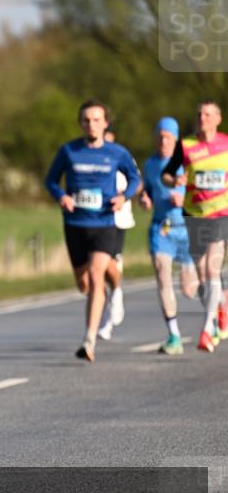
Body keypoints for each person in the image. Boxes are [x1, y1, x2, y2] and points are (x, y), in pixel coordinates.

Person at [44, 99, 141, 362]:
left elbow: (135, 178)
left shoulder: (117, 152)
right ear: (80, 124)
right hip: (75, 225)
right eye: (86, 120)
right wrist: (61, 196)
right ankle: (108, 288)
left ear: (105, 123)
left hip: (104, 223)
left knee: (97, 275)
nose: (91, 125)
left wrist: (124, 197)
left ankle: (89, 340)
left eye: (96, 120)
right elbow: (51, 180)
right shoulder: (69, 151)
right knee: (84, 284)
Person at [162, 100, 228, 352]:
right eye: (199, 113)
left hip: (221, 214)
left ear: (218, 119)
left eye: (208, 114)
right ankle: (220, 309)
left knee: (212, 270)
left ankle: (207, 328)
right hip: (194, 215)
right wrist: (174, 180)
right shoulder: (186, 145)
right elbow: (166, 175)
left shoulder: (226, 144)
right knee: (202, 275)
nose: (203, 118)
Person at [139, 117, 200, 354]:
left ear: (176, 140)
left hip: (187, 227)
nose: (163, 141)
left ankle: (221, 303)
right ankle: (174, 335)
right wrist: (145, 199)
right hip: (161, 228)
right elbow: (147, 191)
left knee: (189, 290)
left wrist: (185, 200)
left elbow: (209, 194)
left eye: (168, 137)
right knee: (162, 275)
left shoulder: (189, 162)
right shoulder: (151, 164)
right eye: (160, 137)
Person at [97, 127, 133, 340]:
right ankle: (112, 297)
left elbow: (136, 182)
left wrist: (123, 196)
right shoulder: (92, 159)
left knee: (110, 263)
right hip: (93, 220)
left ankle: (114, 302)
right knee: (96, 271)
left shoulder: (122, 157)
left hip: (118, 220)